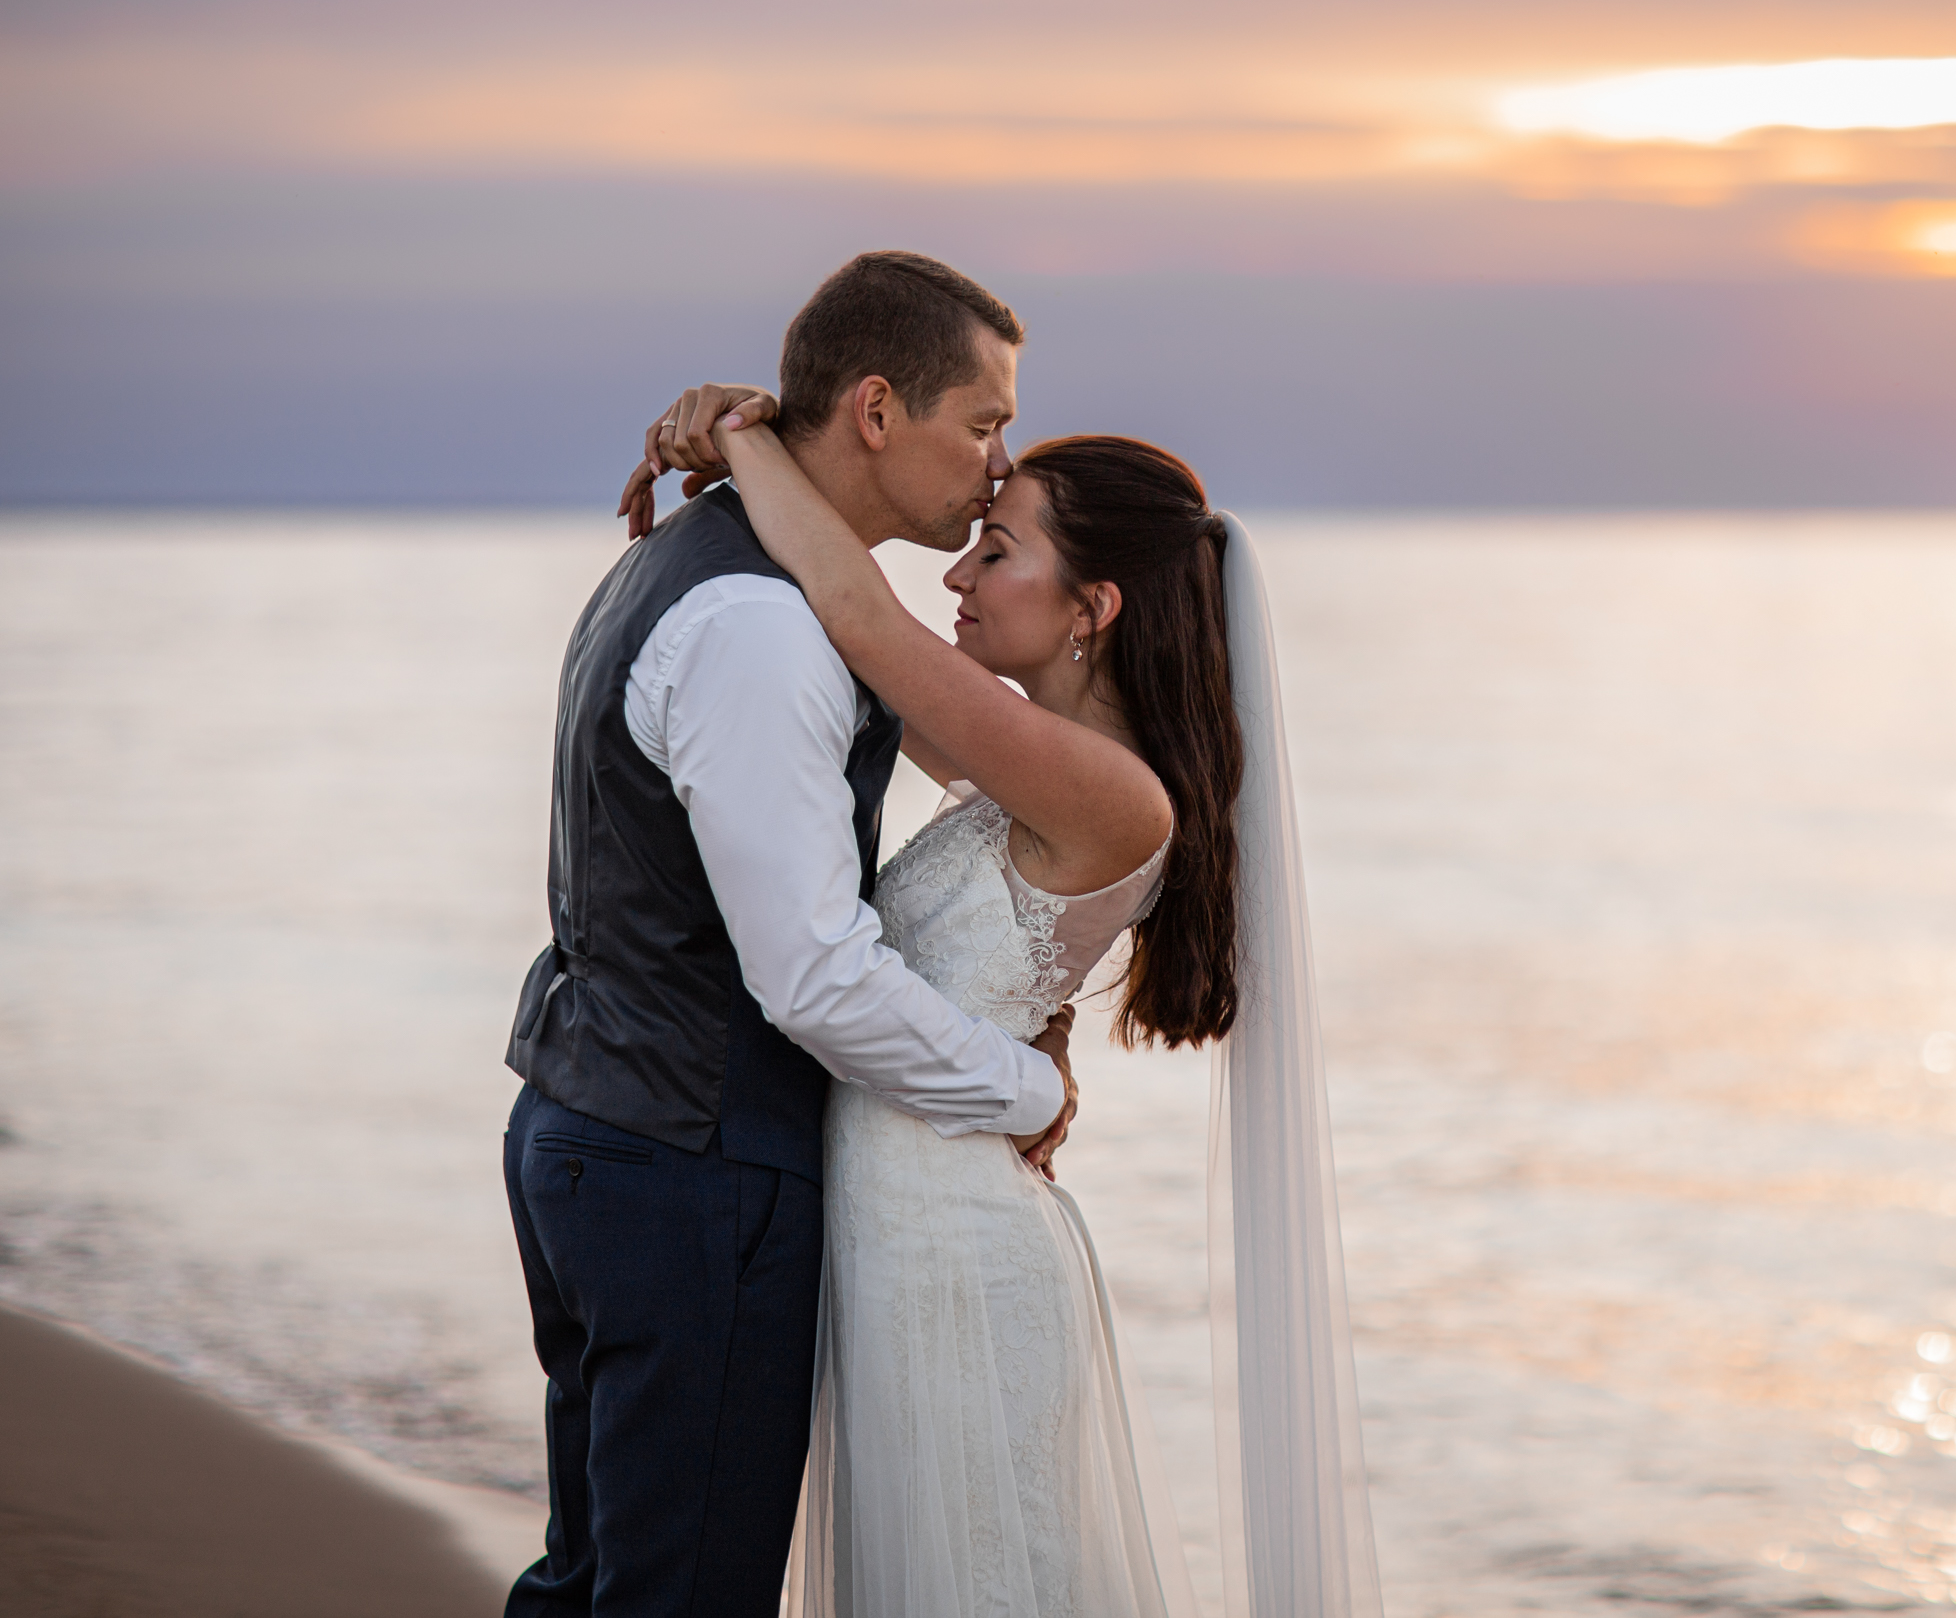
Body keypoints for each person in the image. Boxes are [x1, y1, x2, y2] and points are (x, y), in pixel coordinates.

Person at [628, 370, 1383, 1614]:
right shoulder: (1025, 764)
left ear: (1092, 605)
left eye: (996, 548)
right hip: (902, 1241)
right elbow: (854, 633)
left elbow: (863, 620)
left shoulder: (1113, 791)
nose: (958, 576)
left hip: (956, 1263)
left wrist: (744, 441)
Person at [499, 252, 1079, 1618]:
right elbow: (813, 972)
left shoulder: (713, 562)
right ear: (877, 409)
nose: (999, 467)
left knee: (592, 1579)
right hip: (690, 1167)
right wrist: (1029, 1088)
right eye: (983, 422)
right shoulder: (760, 625)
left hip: (604, 1126)